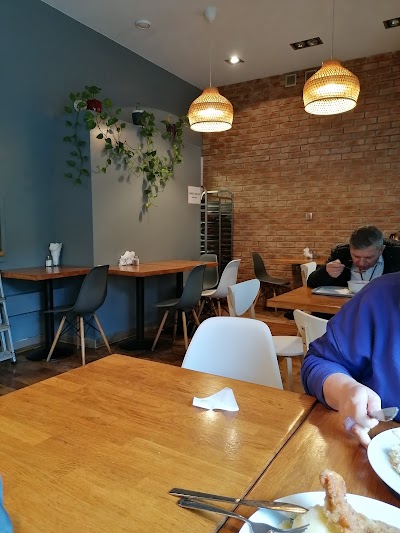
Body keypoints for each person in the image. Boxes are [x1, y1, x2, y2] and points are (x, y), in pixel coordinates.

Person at [301, 272, 400, 448]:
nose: (361, 262)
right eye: (357, 258)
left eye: (367, 258)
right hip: (370, 444)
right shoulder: (378, 297)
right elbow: (320, 361)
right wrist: (345, 390)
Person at [307, 225, 400, 288]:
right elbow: (311, 283)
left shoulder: (396, 254)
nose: (361, 263)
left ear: (381, 250)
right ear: (350, 249)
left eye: (368, 257)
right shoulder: (341, 253)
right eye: (356, 256)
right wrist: (326, 273)